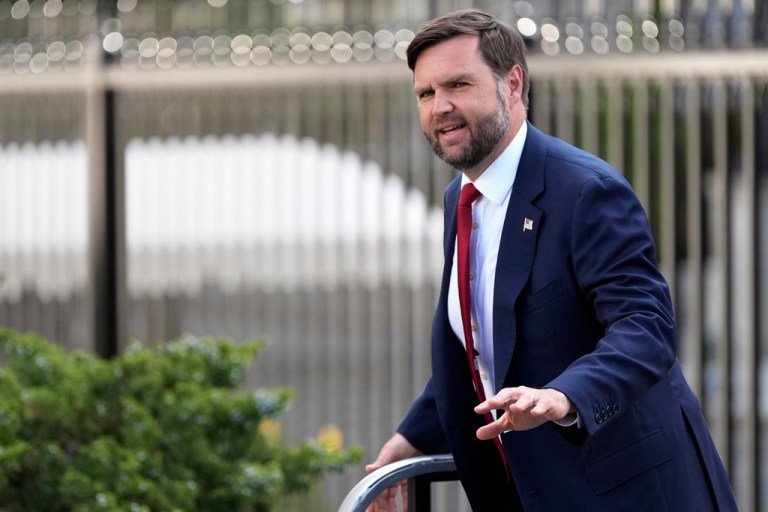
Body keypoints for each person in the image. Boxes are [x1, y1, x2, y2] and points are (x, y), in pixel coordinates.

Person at [364, 8, 738, 512]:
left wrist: (564, 397)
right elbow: (487, 344)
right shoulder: (461, 199)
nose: (440, 107)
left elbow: (646, 327)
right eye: (426, 94)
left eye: (458, 84)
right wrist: (410, 439)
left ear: (512, 84)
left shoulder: (586, 190)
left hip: (632, 493)